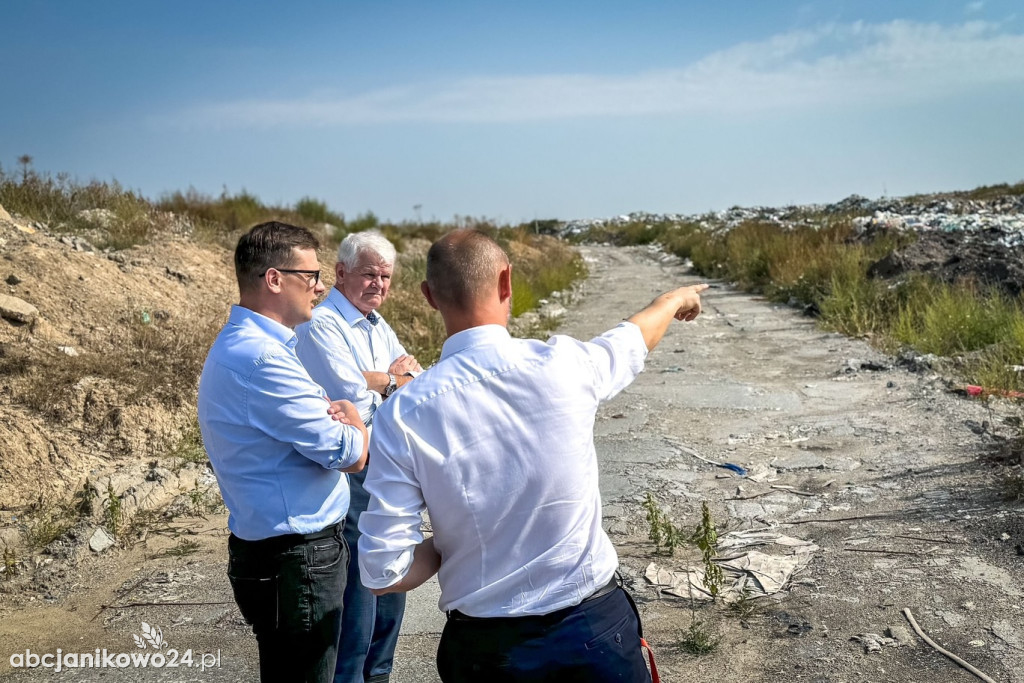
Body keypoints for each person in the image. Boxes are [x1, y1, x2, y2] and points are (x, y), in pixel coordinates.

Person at [354, 229, 708, 682]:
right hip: (594, 632)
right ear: (507, 282)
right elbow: (634, 338)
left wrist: (454, 542)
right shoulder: (566, 364)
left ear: (428, 296)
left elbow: (383, 571)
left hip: (487, 653)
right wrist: (673, 300)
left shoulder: (402, 414)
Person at [198, 221, 369, 683]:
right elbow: (349, 453)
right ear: (275, 279)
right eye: (310, 276)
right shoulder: (264, 360)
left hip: (278, 554)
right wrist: (354, 417)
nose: (320, 287)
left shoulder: (248, 347)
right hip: (298, 559)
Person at [295, 230, 421, 683]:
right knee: (360, 598)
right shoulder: (322, 323)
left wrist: (384, 381)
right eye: (369, 274)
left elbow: (412, 380)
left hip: (387, 468)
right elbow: (352, 398)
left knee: (391, 589)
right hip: (354, 473)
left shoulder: (377, 325)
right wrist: (387, 382)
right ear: (341, 273)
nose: (378, 284)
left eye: (385, 276)